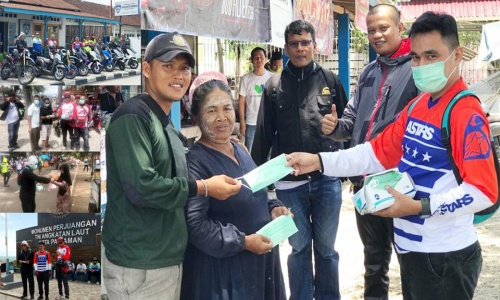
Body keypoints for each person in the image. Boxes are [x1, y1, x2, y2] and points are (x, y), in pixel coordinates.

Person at [287, 11, 497, 300]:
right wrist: (320, 161)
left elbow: (484, 192)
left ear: (457, 55)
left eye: (432, 56)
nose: (421, 65)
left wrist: (416, 207)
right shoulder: (418, 106)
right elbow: (375, 152)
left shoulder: (465, 113)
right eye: (416, 57)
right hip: (413, 252)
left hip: (446, 258)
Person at [101, 32, 241, 300]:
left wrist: (226, 146)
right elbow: (143, 188)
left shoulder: (165, 124)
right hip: (138, 266)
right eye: (168, 66)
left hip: (164, 260)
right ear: (146, 69)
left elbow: (179, 168)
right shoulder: (133, 117)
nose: (178, 75)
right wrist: (203, 188)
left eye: (184, 68)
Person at [321, 4, 419, 299]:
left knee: (411, 262)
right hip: (366, 186)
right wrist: (335, 127)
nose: (377, 35)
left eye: (383, 28)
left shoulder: (418, 70)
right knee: (374, 263)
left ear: (400, 27)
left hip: (401, 184)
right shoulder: (368, 73)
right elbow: (351, 122)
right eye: (372, 30)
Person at [251, 20, 348, 300]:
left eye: (305, 42)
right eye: (294, 43)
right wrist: (257, 187)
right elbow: (264, 137)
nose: (300, 48)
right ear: (286, 47)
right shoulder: (273, 86)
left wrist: (354, 173)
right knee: (299, 249)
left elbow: (347, 128)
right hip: (289, 186)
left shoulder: (330, 81)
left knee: (327, 250)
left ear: (314, 45)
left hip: (327, 180)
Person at [180, 72, 287, 300]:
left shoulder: (240, 149)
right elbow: (196, 226)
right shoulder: (195, 163)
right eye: (211, 110)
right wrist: (244, 242)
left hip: (260, 265)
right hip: (225, 276)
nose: (222, 117)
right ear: (197, 118)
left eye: (227, 108)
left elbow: (256, 193)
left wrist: (274, 208)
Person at [238, 47, 272, 152]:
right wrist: (242, 122)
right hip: (251, 122)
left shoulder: (272, 77)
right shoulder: (246, 79)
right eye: (256, 58)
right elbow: (241, 102)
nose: (259, 60)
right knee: (250, 151)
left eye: (261, 57)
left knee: (267, 151)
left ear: (266, 59)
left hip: (268, 122)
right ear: (252, 60)